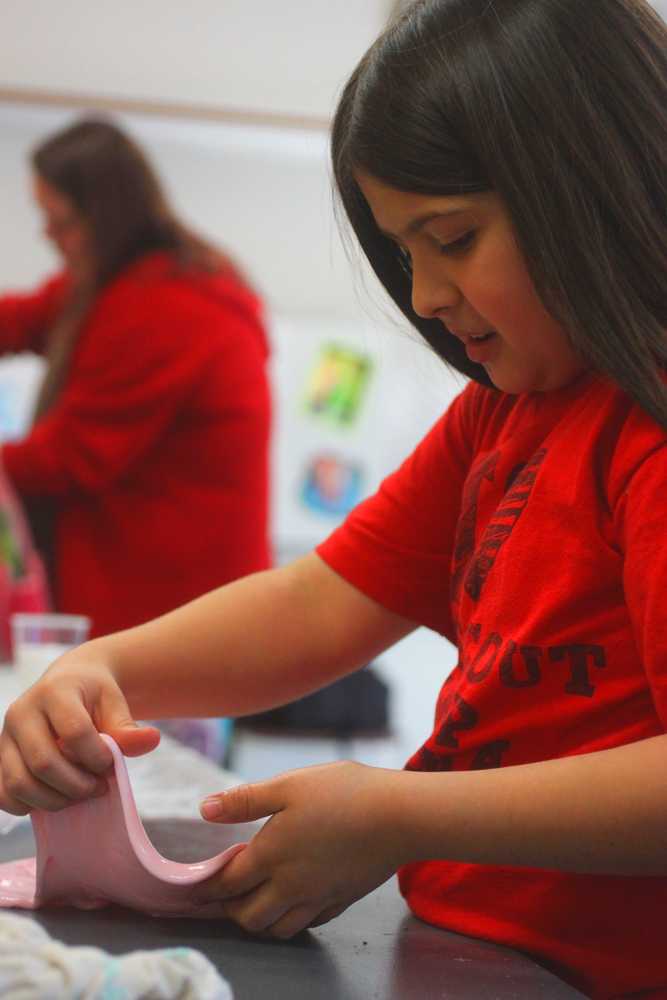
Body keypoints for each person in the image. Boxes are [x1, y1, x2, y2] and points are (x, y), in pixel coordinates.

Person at [0, 1, 665, 995]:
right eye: (405, 253)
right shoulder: (501, 416)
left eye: (453, 236)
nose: (428, 293)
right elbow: (320, 601)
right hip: (464, 946)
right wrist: (104, 668)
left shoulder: (642, 429)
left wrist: (401, 814)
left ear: (589, 184)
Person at [0, 118, 271, 637]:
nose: (48, 236)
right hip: (155, 594)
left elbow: (68, 456)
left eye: (61, 222)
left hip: (169, 605)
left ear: (103, 218)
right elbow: (19, 319)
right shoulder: (120, 284)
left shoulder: (163, 306)